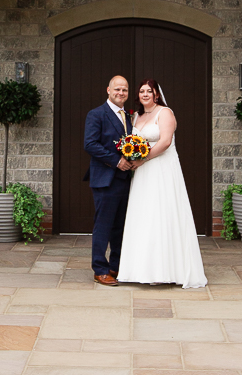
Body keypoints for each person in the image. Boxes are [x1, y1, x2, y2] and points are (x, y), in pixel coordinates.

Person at [117, 78, 207, 289]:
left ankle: (168, 269)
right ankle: (142, 269)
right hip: (142, 173)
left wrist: (143, 159)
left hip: (162, 169)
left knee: (162, 213)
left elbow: (165, 142)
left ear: (157, 94)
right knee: (144, 215)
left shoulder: (165, 112)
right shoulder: (136, 116)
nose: (145, 94)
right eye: (141, 91)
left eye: (149, 91)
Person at [84, 75, 133, 285]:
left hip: (125, 178)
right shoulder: (96, 114)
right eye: (117, 89)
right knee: (103, 225)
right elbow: (90, 144)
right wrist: (116, 161)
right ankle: (100, 269)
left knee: (120, 225)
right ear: (108, 90)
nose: (121, 93)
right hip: (105, 178)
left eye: (124, 90)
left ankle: (115, 266)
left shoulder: (128, 116)